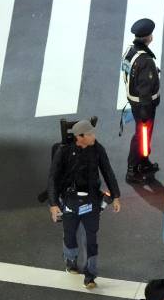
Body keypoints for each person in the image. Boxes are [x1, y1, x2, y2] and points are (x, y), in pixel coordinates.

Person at [46, 119, 122, 289]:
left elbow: (107, 171)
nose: (94, 136)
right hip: (70, 200)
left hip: (92, 200)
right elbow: (53, 177)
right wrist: (53, 203)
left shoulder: (97, 149)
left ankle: (90, 275)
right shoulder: (63, 151)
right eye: (90, 134)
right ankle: (71, 260)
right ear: (80, 137)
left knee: (91, 238)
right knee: (70, 234)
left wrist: (116, 196)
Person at [122, 18, 161, 184]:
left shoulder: (131, 51)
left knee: (142, 135)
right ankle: (132, 169)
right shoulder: (145, 61)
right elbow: (145, 89)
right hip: (144, 106)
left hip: (134, 102)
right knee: (141, 136)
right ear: (148, 37)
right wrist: (146, 110)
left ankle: (143, 162)